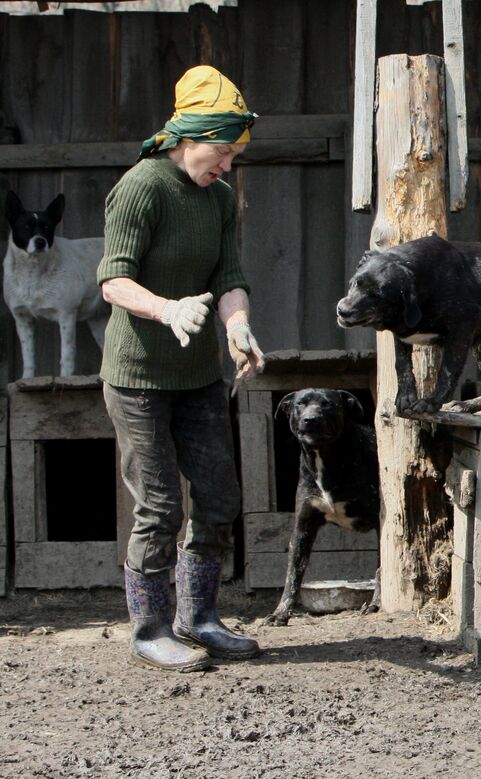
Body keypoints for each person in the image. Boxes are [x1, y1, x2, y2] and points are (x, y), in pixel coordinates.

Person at [99, 65, 266, 672]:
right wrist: (166, 308)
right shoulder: (141, 188)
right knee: (162, 505)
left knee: (219, 496)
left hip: (198, 377)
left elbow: (228, 277)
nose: (228, 165)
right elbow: (113, 280)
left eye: (235, 154)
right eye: (223, 151)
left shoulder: (219, 198)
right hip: (139, 376)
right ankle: (149, 627)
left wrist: (237, 326)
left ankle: (199, 617)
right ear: (189, 139)